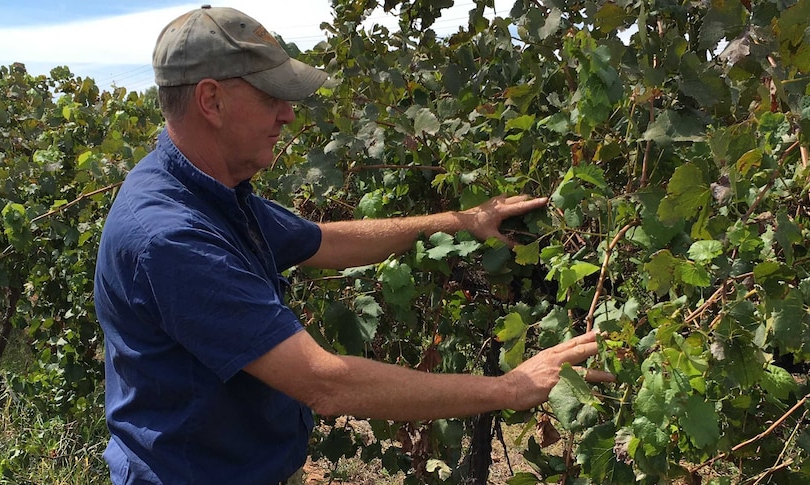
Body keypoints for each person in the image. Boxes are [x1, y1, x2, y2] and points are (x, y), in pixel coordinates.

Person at [94, 5, 614, 484]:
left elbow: (324, 242)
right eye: (271, 98)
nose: (288, 116)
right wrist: (512, 388)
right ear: (211, 100)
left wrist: (462, 221)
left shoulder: (214, 191)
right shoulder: (170, 236)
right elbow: (326, 384)